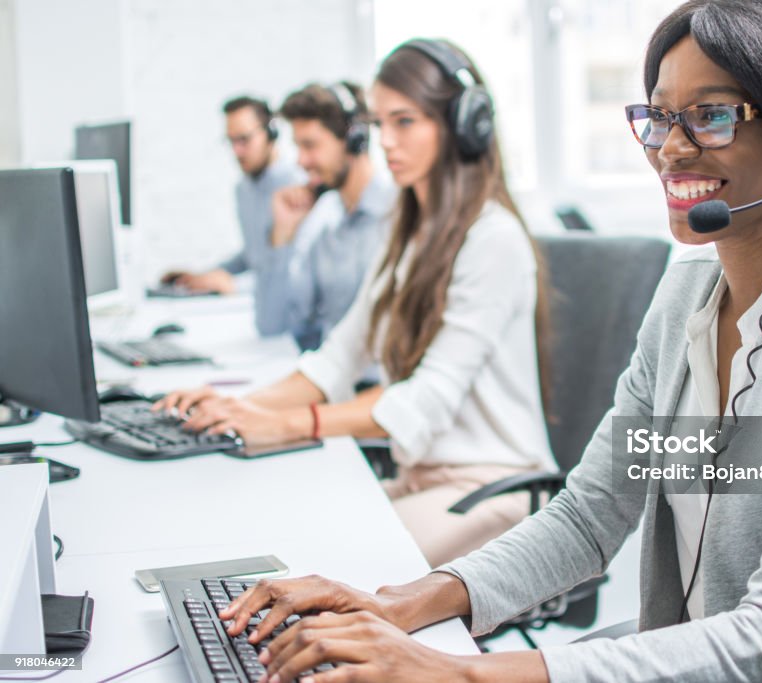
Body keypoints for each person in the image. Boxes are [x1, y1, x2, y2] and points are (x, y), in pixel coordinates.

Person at [212, 4, 762, 683]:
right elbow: (592, 516)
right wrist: (396, 602)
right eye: (659, 115)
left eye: (713, 114)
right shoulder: (688, 293)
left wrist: (459, 667)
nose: (670, 146)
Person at [155, 39, 556, 569]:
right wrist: (240, 406)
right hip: (420, 478)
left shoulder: (492, 240)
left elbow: (422, 401)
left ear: (464, 125)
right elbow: (336, 360)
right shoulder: (410, 234)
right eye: (379, 123)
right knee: (275, 539)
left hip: (493, 488)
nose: (385, 141)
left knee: (330, 574)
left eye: (404, 121)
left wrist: (288, 424)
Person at [264, 82, 395, 350]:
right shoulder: (324, 231)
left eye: (310, 145)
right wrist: (283, 236)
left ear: (353, 139)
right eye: (298, 147)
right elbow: (275, 326)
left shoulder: (399, 217)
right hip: (335, 384)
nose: (301, 161)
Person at [161, 96, 304, 302]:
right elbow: (253, 257)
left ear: (271, 133)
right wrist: (205, 277)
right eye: (231, 141)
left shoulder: (297, 188)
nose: (237, 151)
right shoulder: (243, 189)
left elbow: (295, 271)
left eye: (244, 140)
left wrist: (234, 284)